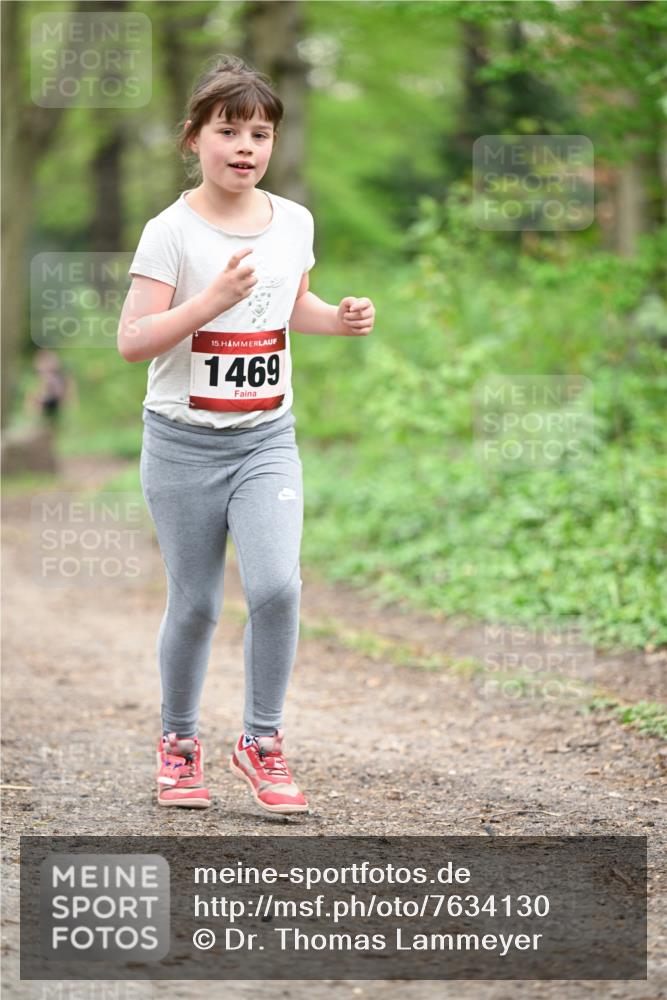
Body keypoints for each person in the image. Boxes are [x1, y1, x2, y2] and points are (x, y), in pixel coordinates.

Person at [117, 54, 375, 815]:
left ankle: (261, 742)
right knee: (195, 603)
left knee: (275, 586)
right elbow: (135, 340)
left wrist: (338, 319)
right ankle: (179, 744)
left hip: (265, 439)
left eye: (259, 133)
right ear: (193, 137)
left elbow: (289, 306)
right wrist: (211, 298)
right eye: (228, 130)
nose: (245, 147)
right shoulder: (170, 232)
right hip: (180, 442)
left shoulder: (293, 221)